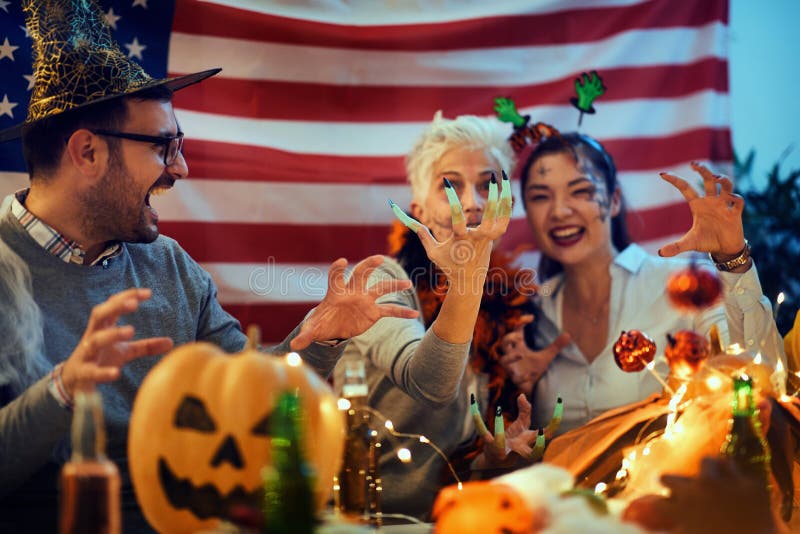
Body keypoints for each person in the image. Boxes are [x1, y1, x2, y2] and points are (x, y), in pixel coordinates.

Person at [0, 0, 417, 531]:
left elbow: (244, 403)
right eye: (164, 146)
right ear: (86, 154)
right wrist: (62, 389)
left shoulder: (168, 265)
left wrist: (315, 338)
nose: (181, 167)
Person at [333, 112, 567, 520]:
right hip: (376, 520)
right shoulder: (380, 281)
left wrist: (495, 456)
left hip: (465, 519)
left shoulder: (512, 300)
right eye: (450, 185)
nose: (473, 203)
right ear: (418, 208)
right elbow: (430, 382)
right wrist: (469, 282)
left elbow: (461, 458)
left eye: (488, 185)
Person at [500, 132, 786, 434]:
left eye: (580, 191)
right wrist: (519, 392)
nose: (559, 211)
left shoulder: (684, 286)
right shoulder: (530, 316)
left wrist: (733, 258)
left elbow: (759, 372)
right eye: (540, 196)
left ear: (613, 201)